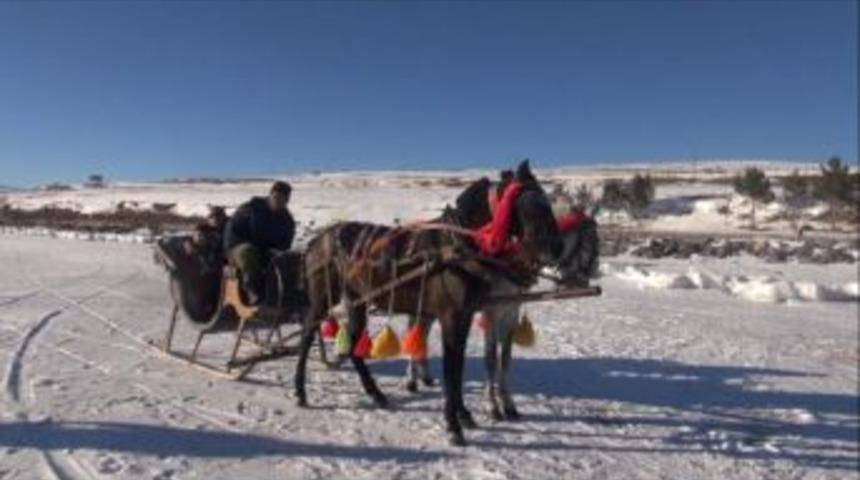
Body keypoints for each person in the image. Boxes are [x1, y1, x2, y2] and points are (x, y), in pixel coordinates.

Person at [223, 181, 296, 305]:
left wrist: (278, 251)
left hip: (267, 251)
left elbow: (286, 243)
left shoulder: (287, 220)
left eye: (283, 199)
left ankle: (285, 294)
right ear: (270, 195)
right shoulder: (251, 209)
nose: (279, 202)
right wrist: (234, 247)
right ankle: (252, 290)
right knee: (248, 251)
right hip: (238, 248)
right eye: (276, 197)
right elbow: (232, 230)